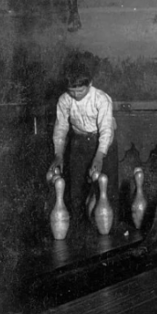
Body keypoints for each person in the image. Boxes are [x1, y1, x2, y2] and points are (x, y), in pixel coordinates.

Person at [47, 56, 118, 230]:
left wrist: (99, 157)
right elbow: (61, 128)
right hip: (78, 143)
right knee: (76, 188)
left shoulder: (102, 99)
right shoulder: (64, 100)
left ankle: (110, 231)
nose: (76, 96)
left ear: (90, 83)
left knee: (107, 188)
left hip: (103, 143)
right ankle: (79, 230)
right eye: (72, 91)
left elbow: (106, 130)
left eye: (81, 91)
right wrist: (58, 155)